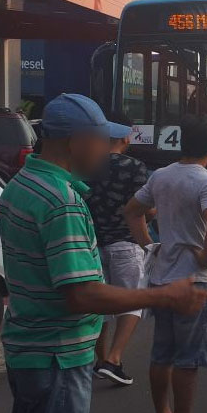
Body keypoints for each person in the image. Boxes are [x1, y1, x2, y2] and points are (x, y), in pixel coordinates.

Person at [0, 94, 207, 413]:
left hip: (27, 351)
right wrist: (164, 296)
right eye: (101, 140)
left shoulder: (20, 186)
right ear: (76, 142)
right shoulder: (61, 202)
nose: (106, 149)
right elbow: (82, 295)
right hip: (58, 358)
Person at [124, 115, 207, 413]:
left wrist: (151, 246)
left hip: (162, 280)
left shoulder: (161, 176)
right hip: (193, 285)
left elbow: (132, 211)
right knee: (188, 360)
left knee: (162, 354)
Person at [84, 114, 149, 386]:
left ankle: (100, 360)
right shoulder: (135, 167)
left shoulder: (87, 165)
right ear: (125, 137)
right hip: (126, 244)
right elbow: (142, 209)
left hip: (91, 246)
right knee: (132, 303)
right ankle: (114, 359)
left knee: (100, 306)